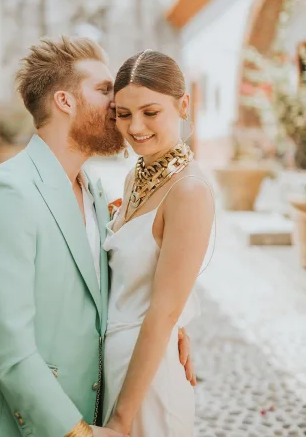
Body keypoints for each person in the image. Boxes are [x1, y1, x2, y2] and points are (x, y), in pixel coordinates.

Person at [0, 37, 194, 437]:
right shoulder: (6, 192)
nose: (117, 102)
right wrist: (77, 433)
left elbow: (113, 288)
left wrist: (171, 327)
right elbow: (9, 349)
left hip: (93, 412)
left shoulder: (97, 193)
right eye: (104, 90)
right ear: (65, 101)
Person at [102, 49, 215, 437]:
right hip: (114, 367)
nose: (136, 127)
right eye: (123, 113)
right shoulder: (136, 176)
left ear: (183, 105)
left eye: (151, 112)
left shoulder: (189, 192)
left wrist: (120, 420)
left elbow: (163, 313)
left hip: (148, 386)